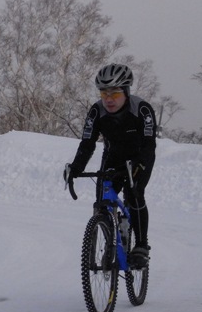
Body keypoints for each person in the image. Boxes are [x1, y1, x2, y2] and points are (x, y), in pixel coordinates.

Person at [64, 63, 157, 268]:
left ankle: (141, 245)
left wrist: (140, 164)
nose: (108, 99)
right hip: (113, 156)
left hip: (140, 155)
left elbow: (149, 145)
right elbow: (88, 143)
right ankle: (109, 239)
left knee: (134, 193)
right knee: (102, 199)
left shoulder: (142, 109)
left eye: (114, 94)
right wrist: (77, 167)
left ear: (126, 91)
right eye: (104, 93)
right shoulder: (96, 111)